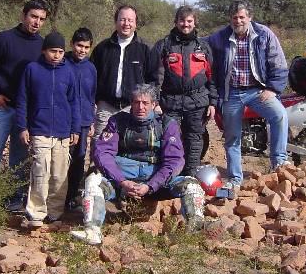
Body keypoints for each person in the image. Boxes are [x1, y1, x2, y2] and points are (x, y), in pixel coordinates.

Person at [70, 84, 205, 245]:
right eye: (136, 102)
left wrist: (150, 185)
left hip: (156, 183)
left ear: (154, 105)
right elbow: (103, 153)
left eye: (145, 103)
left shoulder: (167, 125)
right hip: (122, 182)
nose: (140, 107)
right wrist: (122, 181)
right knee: (93, 181)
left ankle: (194, 232)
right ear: (131, 103)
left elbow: (174, 161)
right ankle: (92, 230)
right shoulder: (117, 121)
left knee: (192, 185)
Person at [0, 0, 48, 205]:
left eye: (41, 19)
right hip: (1, 108)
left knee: (20, 159)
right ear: (23, 16)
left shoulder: (43, 46)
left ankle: (16, 198)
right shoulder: (4, 39)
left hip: (25, 113)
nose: (36, 22)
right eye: (33, 16)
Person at [206, 0, 289, 188]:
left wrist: (272, 89)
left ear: (249, 17)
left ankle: (279, 162)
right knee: (231, 136)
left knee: (279, 115)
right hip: (231, 93)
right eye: (234, 18)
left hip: (257, 90)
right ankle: (235, 178)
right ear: (230, 19)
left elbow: (279, 63)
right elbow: (199, 45)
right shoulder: (219, 38)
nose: (238, 21)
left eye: (242, 17)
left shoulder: (263, 34)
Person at [15, 32, 81, 228]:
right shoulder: (32, 70)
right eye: (53, 51)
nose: (57, 55)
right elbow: (23, 100)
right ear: (44, 51)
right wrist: (22, 126)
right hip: (39, 130)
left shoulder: (68, 72)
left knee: (59, 174)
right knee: (40, 172)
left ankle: (55, 213)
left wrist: (75, 129)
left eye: (61, 51)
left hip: (62, 133)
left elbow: (74, 103)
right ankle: (36, 212)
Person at [151, 6, 217, 177]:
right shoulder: (163, 45)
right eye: (182, 20)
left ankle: (190, 176)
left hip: (198, 101)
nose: (185, 24)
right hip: (169, 102)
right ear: (176, 22)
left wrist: (213, 103)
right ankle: (167, 175)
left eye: (189, 21)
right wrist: (155, 102)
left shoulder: (203, 47)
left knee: (194, 139)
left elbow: (213, 77)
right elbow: (154, 77)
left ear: (195, 22)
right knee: (168, 138)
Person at [89, 5, 155, 143]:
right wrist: (95, 101)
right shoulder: (102, 48)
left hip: (133, 107)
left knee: (128, 145)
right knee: (101, 147)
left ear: (136, 23)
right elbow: (91, 78)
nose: (126, 24)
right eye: (122, 19)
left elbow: (154, 78)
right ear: (116, 22)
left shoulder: (145, 49)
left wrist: (153, 102)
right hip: (106, 107)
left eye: (130, 20)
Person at [64, 28, 97, 209]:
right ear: (72, 44)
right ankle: (57, 198)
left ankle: (71, 196)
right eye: (79, 45)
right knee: (61, 160)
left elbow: (91, 95)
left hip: (84, 121)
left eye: (86, 47)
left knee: (79, 159)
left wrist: (91, 120)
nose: (82, 50)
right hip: (63, 121)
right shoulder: (62, 62)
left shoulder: (91, 68)